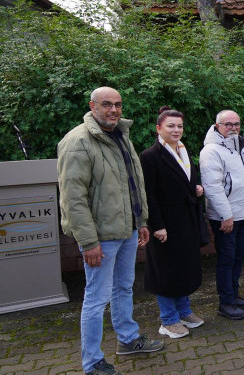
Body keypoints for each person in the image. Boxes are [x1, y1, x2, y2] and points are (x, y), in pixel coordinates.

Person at [57, 87, 163, 375]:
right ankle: (91, 363)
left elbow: (132, 184)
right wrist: (89, 242)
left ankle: (128, 340)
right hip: (100, 238)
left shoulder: (120, 135)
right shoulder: (78, 141)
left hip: (126, 230)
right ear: (92, 106)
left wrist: (140, 221)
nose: (114, 110)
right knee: (96, 299)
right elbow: (72, 199)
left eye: (117, 104)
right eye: (106, 105)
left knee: (123, 288)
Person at [140, 107, 205, 339]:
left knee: (183, 267)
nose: (176, 130)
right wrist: (157, 225)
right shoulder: (150, 156)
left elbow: (186, 180)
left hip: (185, 221)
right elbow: (149, 194)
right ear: (159, 128)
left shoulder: (184, 151)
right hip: (165, 224)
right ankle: (168, 320)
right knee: (165, 271)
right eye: (171, 126)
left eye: (179, 126)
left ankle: (184, 311)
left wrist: (197, 189)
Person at [200, 109, 244, 320]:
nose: (233, 128)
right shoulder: (212, 151)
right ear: (217, 126)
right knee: (227, 259)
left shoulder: (240, 147)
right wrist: (226, 215)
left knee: (238, 257)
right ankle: (226, 302)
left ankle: (234, 295)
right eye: (228, 124)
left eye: (236, 124)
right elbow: (212, 186)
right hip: (227, 217)